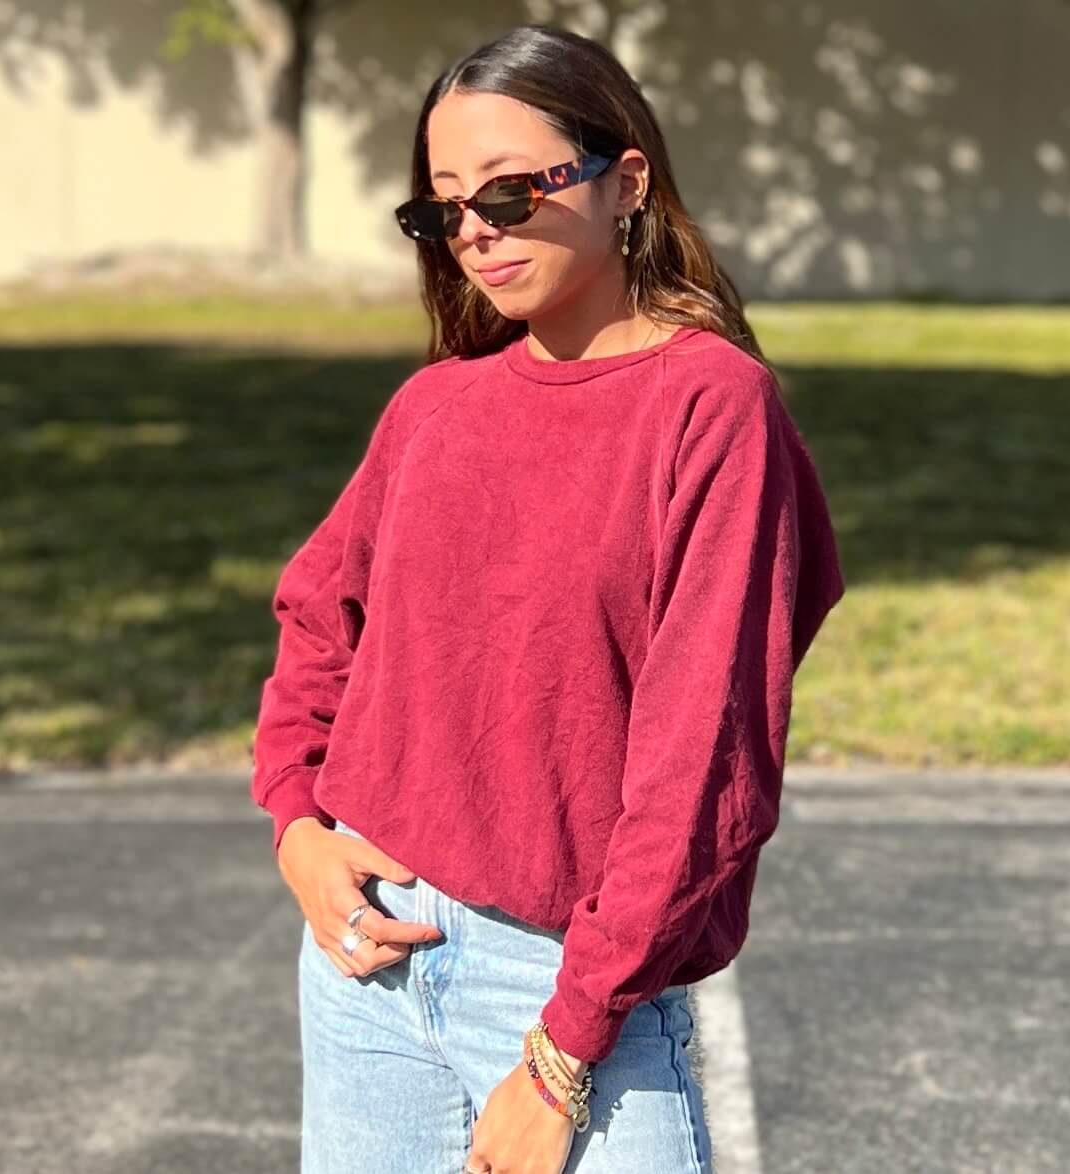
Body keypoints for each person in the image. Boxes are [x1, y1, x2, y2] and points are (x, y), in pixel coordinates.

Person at [250, 22, 845, 1174]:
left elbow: (700, 766)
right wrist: (297, 828)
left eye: (509, 190)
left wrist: (563, 1054)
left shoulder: (710, 408)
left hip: (567, 994)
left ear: (627, 182)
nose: (475, 228)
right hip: (367, 967)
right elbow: (319, 616)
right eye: (443, 207)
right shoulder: (432, 410)